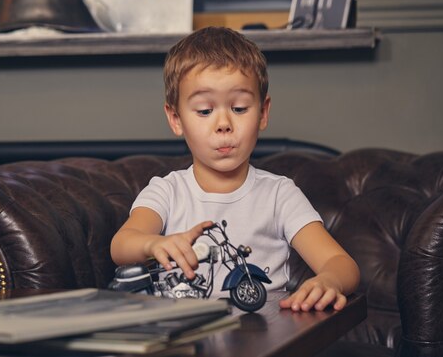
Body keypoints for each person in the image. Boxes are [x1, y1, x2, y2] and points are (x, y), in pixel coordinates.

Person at [110, 27, 359, 312]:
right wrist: (153, 245)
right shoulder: (167, 191)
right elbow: (121, 245)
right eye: (205, 111)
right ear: (176, 119)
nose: (224, 123)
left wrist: (329, 280)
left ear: (263, 113)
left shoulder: (279, 194)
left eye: (239, 108)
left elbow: (342, 264)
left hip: (264, 340)